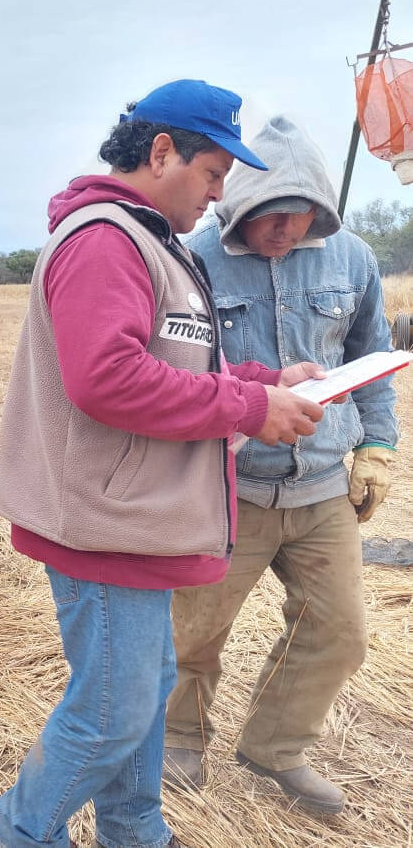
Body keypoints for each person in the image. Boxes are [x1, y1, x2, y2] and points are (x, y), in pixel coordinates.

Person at [0, 80, 327, 848]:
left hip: (134, 518)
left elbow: (177, 359)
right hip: (106, 522)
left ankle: (135, 828)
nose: (219, 194)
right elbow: (107, 378)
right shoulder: (104, 240)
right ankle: (21, 834)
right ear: (162, 151)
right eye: (212, 173)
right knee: (110, 713)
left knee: (142, 693)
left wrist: (269, 381)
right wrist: (249, 408)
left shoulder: (146, 237)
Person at [163, 116, 399, 815]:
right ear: (240, 203)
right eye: (273, 215)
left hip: (322, 484)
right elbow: (180, 369)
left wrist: (377, 446)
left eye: (302, 216)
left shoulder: (352, 259)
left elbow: (372, 358)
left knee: (339, 630)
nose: (286, 230)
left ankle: (276, 746)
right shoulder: (195, 257)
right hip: (228, 485)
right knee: (194, 630)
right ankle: (178, 737)